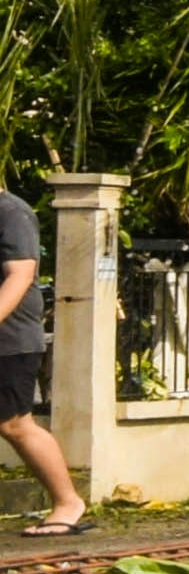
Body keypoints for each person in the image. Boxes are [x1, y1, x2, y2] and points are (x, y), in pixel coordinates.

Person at [0, 182, 87, 539]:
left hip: (10, 341)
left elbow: (19, 276)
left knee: (15, 425)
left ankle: (68, 503)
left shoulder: (11, 212)